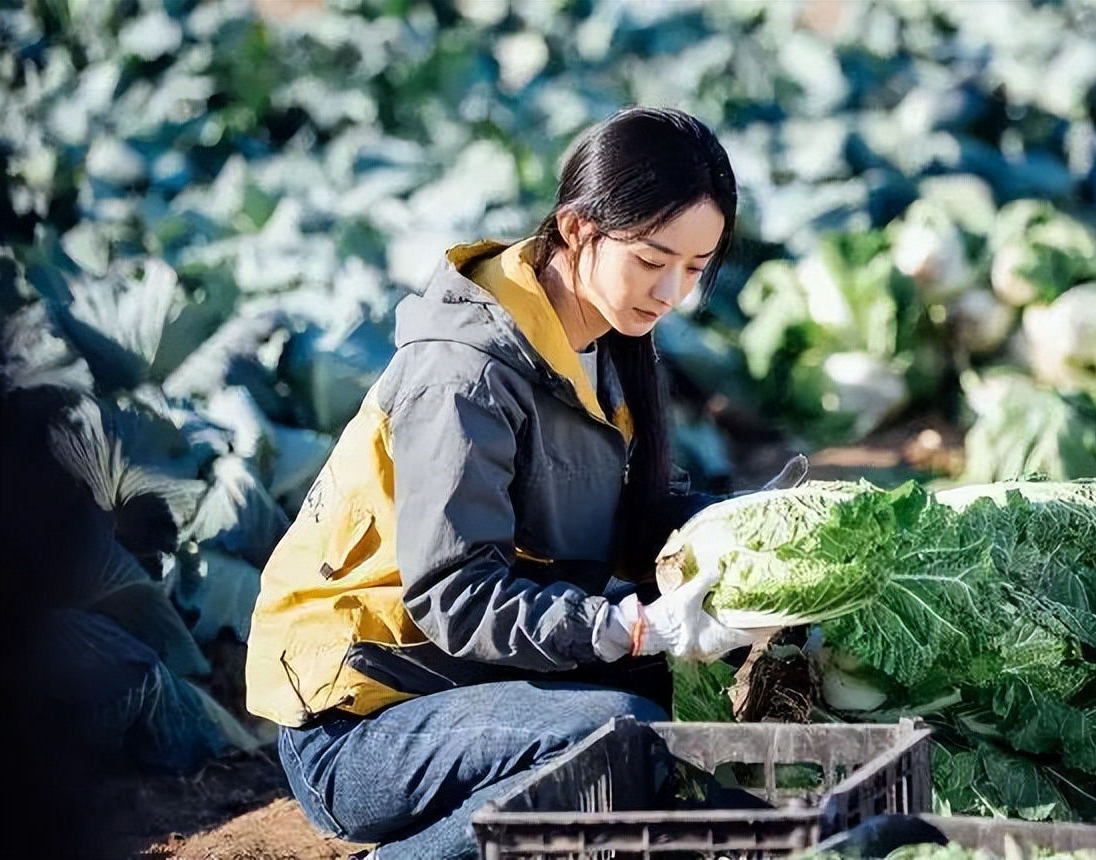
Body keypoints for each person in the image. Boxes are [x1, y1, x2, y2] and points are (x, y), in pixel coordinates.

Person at [244, 107, 806, 859]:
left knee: (736, 685)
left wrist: (763, 537)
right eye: (651, 260)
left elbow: (635, 522)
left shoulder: (606, 342)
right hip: (363, 723)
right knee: (623, 740)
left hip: (471, 683)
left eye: (696, 270)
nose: (671, 291)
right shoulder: (465, 373)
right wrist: (632, 627)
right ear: (577, 229)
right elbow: (456, 596)